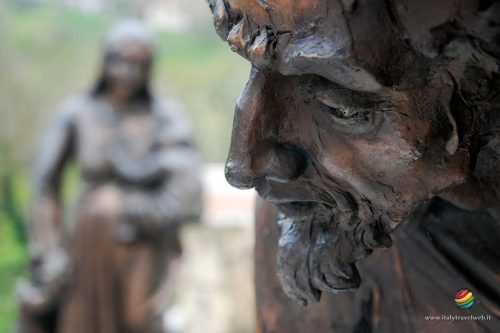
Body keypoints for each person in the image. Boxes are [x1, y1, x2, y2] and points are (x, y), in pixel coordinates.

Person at [206, 0, 500, 331]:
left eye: (344, 111)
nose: (244, 166)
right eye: (253, 64)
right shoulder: (317, 217)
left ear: (481, 92)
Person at [18, 20, 202, 333]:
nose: (127, 72)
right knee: (80, 322)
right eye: (119, 61)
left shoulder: (165, 116)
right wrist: (49, 252)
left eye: (138, 64)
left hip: (142, 240)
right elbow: (45, 186)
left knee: (139, 321)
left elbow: (187, 184)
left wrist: (144, 209)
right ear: (104, 62)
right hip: (89, 244)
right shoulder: (77, 114)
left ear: (149, 68)